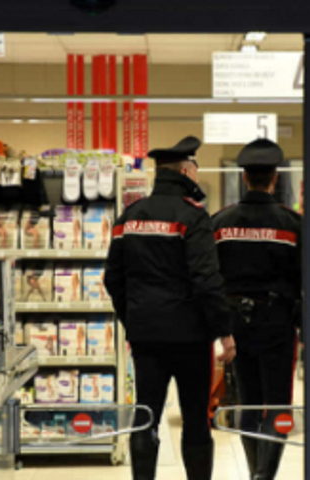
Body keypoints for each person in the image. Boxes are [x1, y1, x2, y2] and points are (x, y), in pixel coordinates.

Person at [104, 136, 236, 480]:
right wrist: (223, 331)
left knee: (145, 416)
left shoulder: (129, 217)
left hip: (146, 337)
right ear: (186, 171)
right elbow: (206, 280)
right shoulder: (193, 217)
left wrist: (133, 318)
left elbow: (112, 278)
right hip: (191, 338)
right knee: (195, 418)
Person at [211, 139, 301, 480]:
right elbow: (305, 280)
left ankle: (256, 474)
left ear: (244, 178)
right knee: (278, 405)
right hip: (278, 323)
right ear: (275, 178)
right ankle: (265, 475)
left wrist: (219, 326)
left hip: (235, 324)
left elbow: (209, 278)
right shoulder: (292, 224)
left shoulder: (220, 223)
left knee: (247, 401)